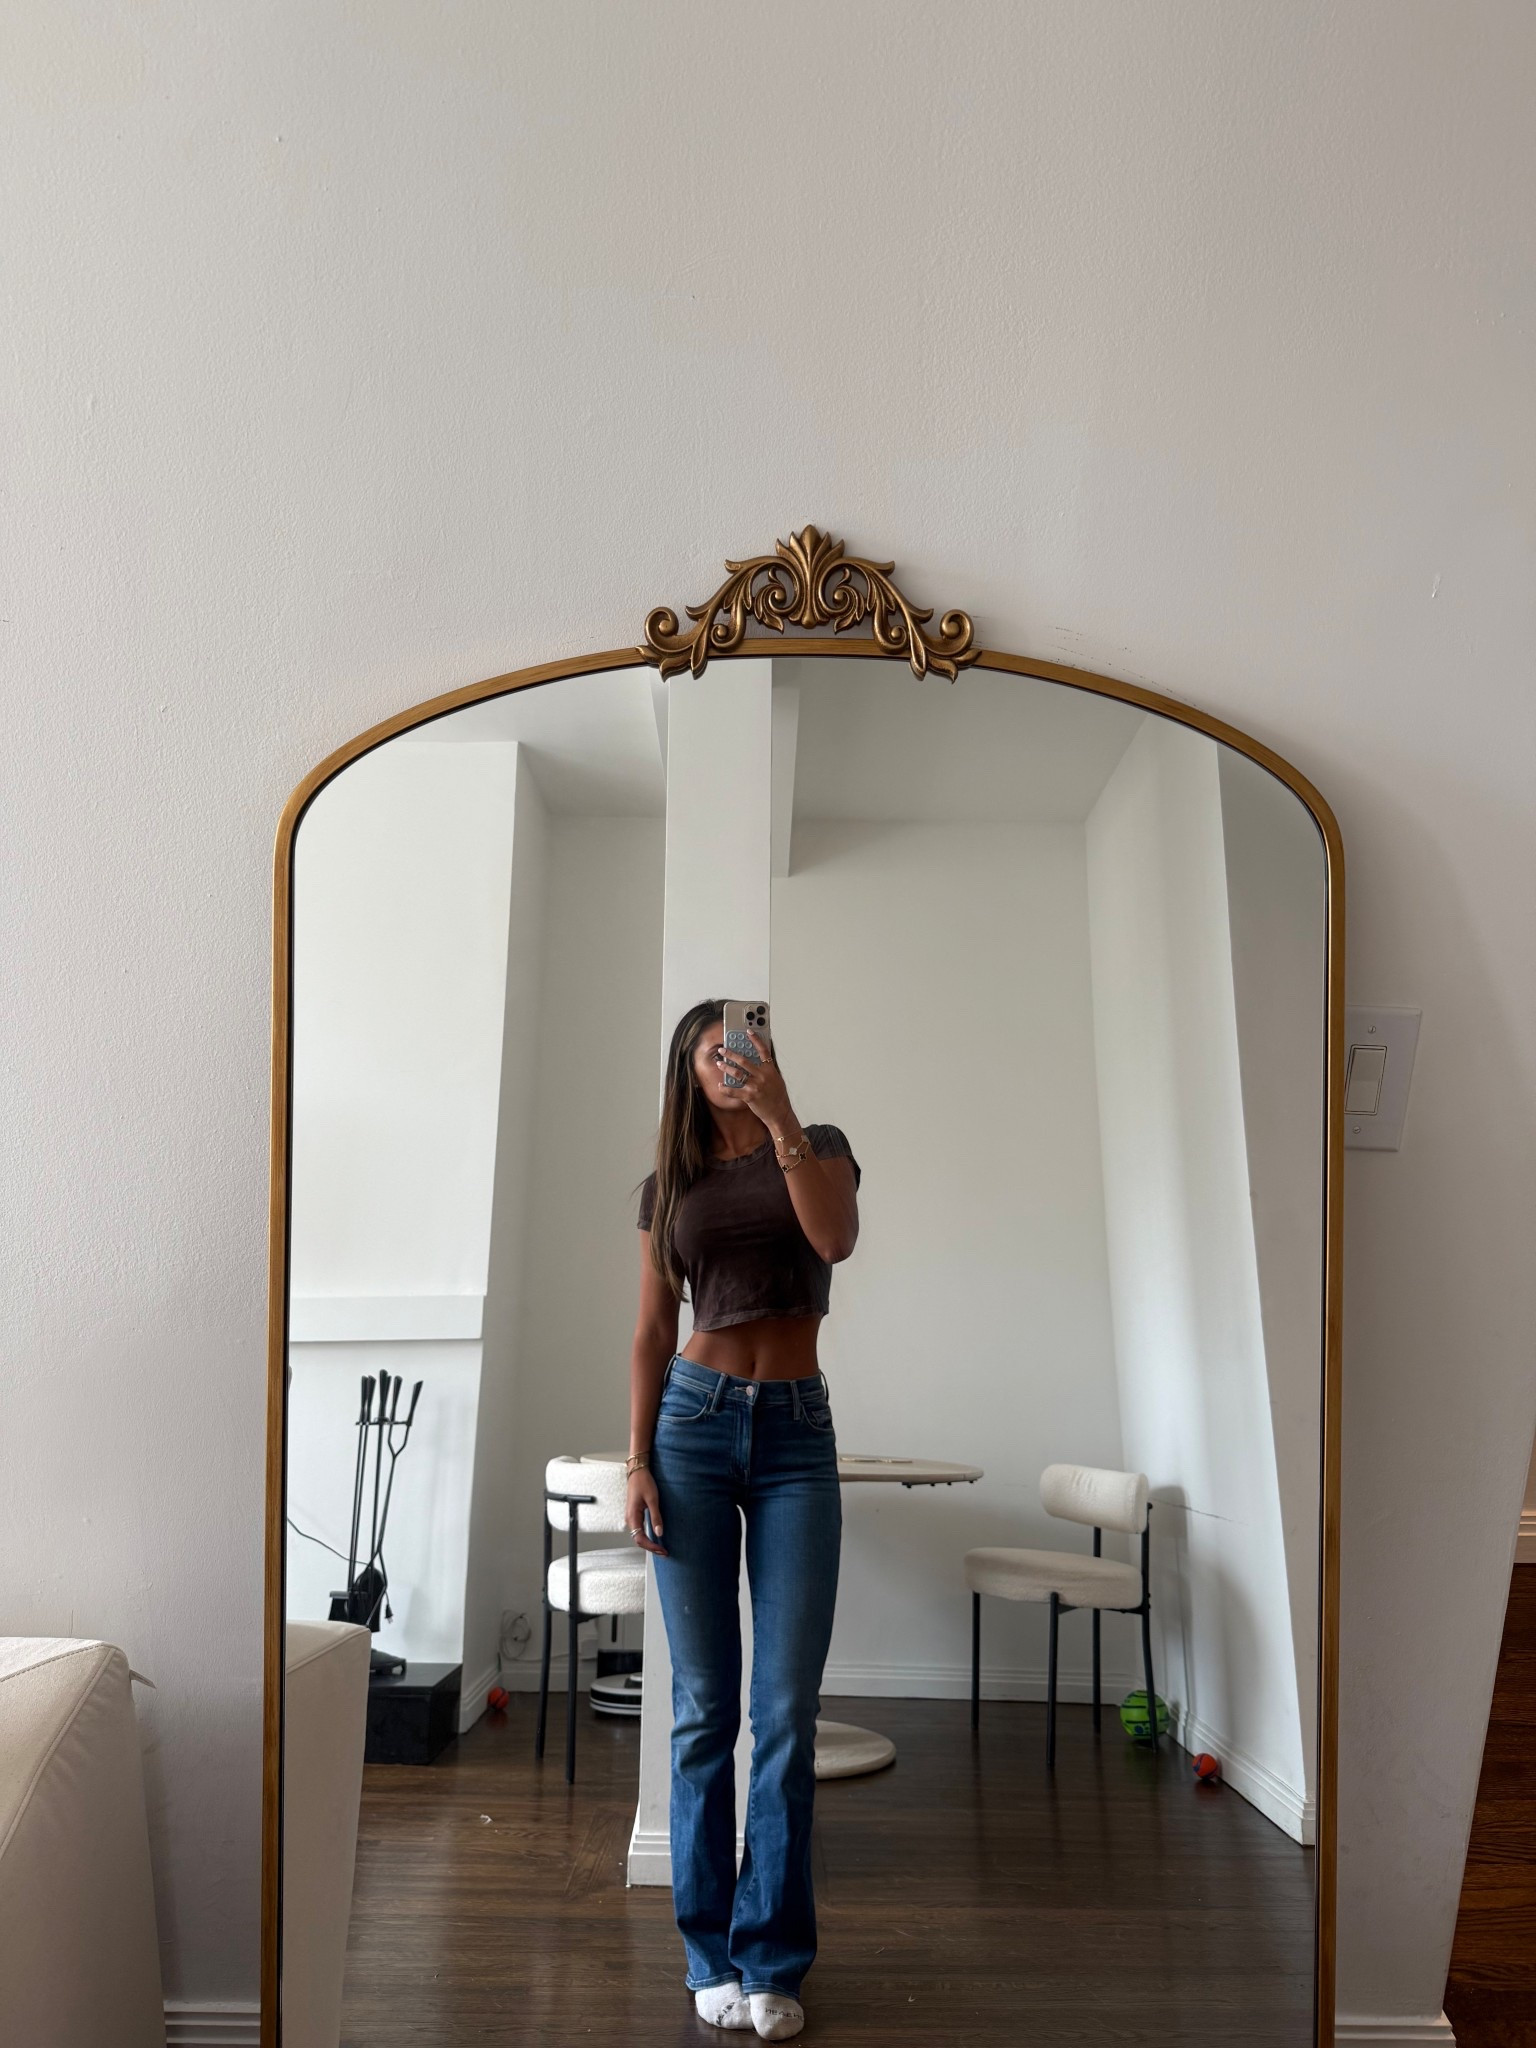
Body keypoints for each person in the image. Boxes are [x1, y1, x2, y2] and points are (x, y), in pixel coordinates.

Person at [627, 998, 861, 2041]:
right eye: (713, 1050)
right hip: (690, 1426)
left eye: (746, 1045)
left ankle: (772, 1955)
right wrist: (638, 1459)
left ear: (767, 1051)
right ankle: (709, 1952)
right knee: (703, 1710)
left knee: (787, 1710)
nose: (731, 1060)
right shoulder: (668, 1184)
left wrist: (780, 1115)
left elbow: (834, 1239)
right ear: (687, 1068)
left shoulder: (819, 1144)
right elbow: (650, 1329)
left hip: (797, 1435)